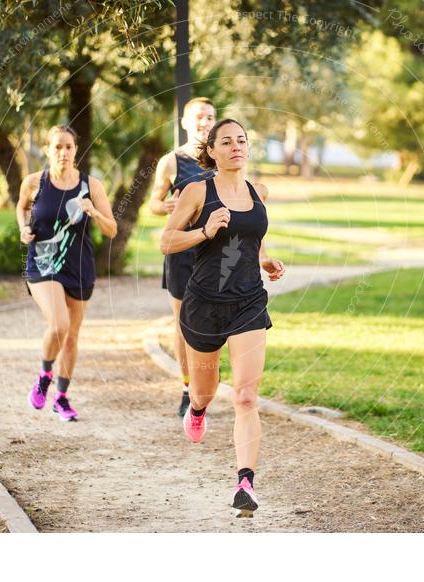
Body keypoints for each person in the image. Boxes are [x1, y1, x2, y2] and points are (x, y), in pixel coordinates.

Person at [160, 119, 285, 517]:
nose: (236, 146)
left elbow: (254, 237)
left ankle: (244, 481)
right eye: (226, 141)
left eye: (242, 140)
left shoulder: (258, 192)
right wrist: (204, 232)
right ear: (211, 151)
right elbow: (166, 240)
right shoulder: (198, 191)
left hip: (248, 301)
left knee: (246, 395)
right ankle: (197, 411)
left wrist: (265, 260)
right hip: (204, 304)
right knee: (206, 392)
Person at [17, 125, 117, 422]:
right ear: (48, 150)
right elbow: (22, 208)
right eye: (57, 147)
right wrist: (23, 227)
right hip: (43, 264)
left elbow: (111, 229)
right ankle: (44, 375)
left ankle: (61, 397)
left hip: (80, 267)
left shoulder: (91, 186)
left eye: (69, 147)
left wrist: (94, 212)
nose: (63, 152)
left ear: (76, 150)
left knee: (71, 337)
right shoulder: (34, 182)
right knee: (59, 324)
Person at [149, 97, 216, 417]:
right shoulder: (171, 162)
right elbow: (153, 203)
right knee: (183, 323)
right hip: (181, 251)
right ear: (186, 123)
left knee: (214, 321)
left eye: (210, 118)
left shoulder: (222, 159)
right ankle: (188, 389)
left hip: (216, 252)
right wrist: (166, 207)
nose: (205, 123)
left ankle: (208, 383)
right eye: (200, 117)